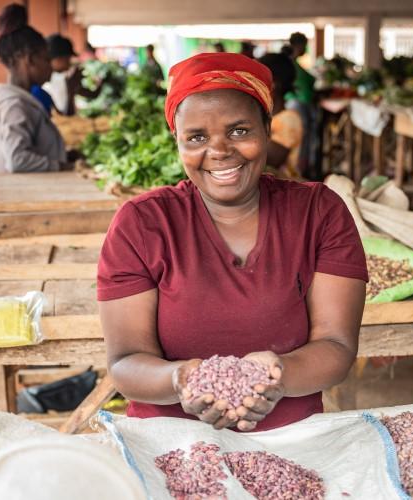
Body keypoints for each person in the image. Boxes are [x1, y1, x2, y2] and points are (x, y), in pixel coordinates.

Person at [97, 53, 368, 432]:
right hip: (169, 442)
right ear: (177, 141)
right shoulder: (142, 223)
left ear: (267, 128)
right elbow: (125, 361)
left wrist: (278, 375)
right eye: (197, 137)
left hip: (292, 442)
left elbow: (336, 346)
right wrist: (181, 381)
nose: (220, 151)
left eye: (239, 130)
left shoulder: (319, 213)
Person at [0, 4, 68, 174]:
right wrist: (60, 166)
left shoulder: (22, 101)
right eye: (46, 60)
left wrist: (63, 156)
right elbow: (18, 160)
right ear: (29, 60)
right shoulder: (13, 105)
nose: (50, 68)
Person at [258, 53, 302, 179]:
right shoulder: (264, 116)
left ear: (274, 84)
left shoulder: (289, 119)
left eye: (258, 80)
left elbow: (269, 160)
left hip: (283, 190)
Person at [286, 32, 317, 178]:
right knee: (300, 139)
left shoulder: (294, 63)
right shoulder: (289, 63)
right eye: (305, 45)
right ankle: (299, 171)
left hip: (300, 104)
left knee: (303, 138)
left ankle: (301, 170)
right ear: (299, 45)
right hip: (297, 105)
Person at [43, 34, 90, 116]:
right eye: (67, 59)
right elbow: (65, 117)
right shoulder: (44, 85)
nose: (69, 64)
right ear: (58, 58)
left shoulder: (58, 77)